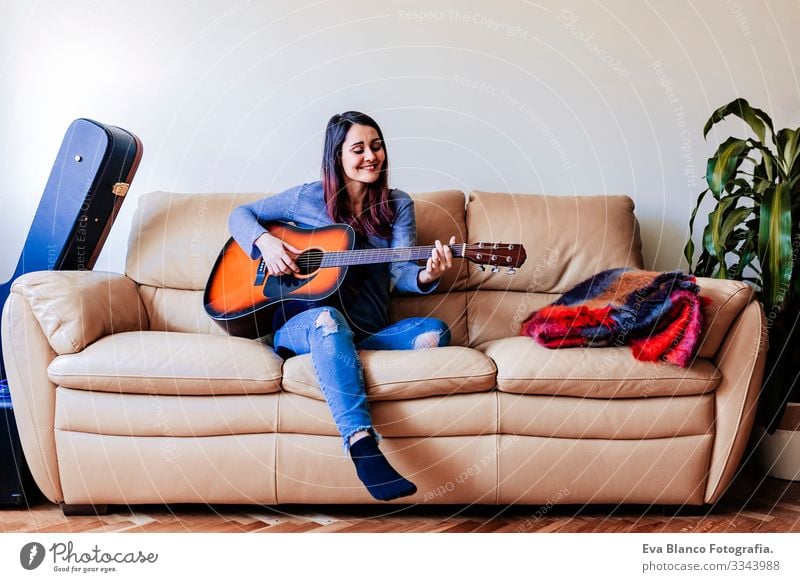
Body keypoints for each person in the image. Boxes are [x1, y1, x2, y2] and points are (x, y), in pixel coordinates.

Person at [227, 111, 456, 501]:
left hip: (368, 327)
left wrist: (427, 276)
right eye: (359, 148)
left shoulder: (398, 204)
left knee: (435, 332)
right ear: (337, 157)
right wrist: (265, 242)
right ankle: (361, 445)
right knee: (328, 320)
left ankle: (339, 354)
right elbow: (240, 214)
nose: (372, 156)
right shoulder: (308, 197)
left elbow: (401, 271)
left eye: (377, 146)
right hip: (304, 324)